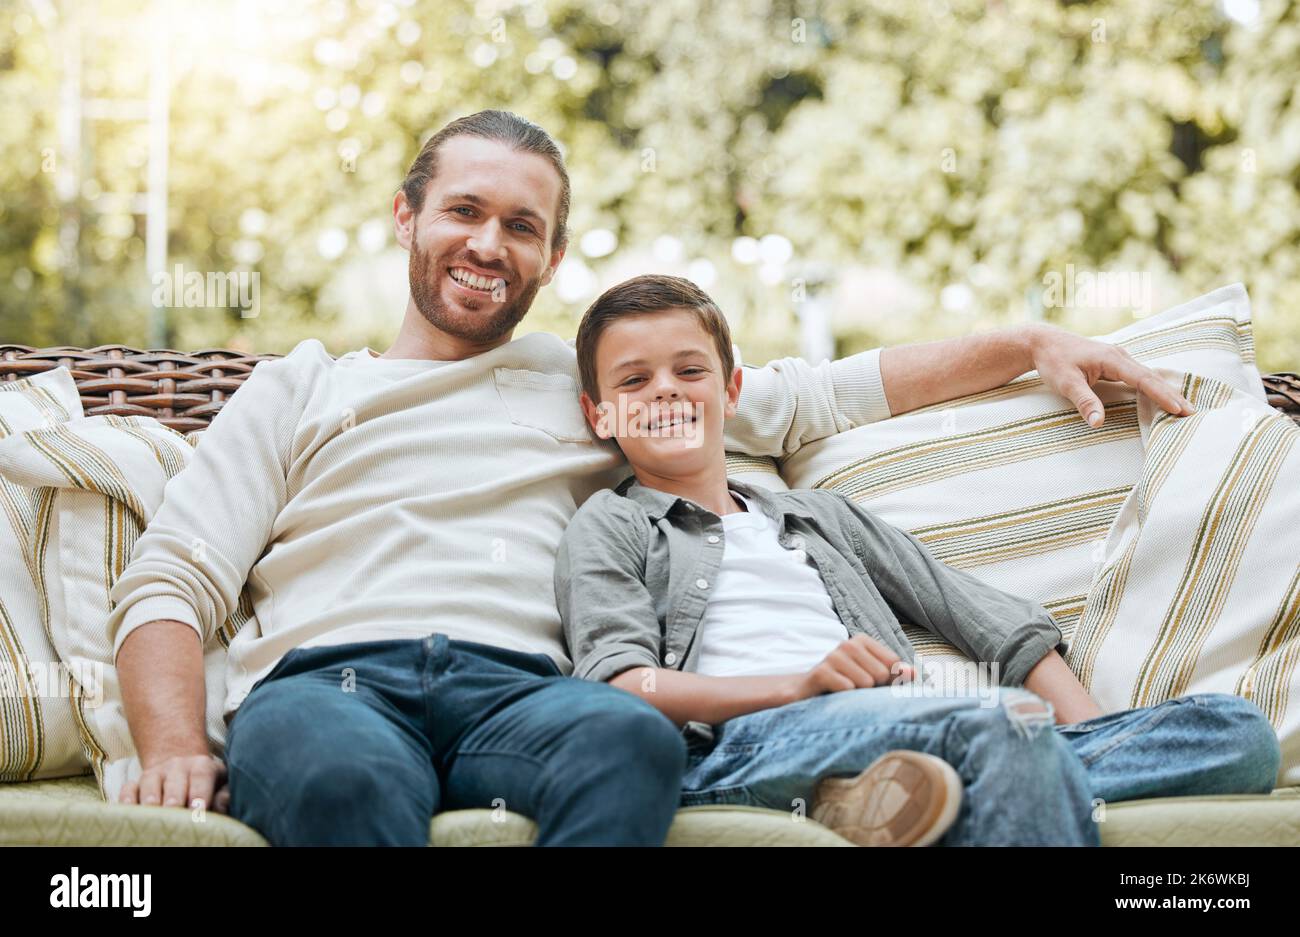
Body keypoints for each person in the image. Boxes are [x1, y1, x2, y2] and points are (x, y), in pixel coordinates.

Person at [110, 109, 1201, 846]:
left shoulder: (598, 383)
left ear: (550, 254)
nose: (488, 243)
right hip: (333, 680)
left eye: (522, 227)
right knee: (342, 775)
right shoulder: (302, 386)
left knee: (628, 736)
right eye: (464, 211)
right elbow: (170, 583)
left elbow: (821, 395)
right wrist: (170, 748)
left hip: (526, 693)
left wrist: (1025, 344)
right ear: (408, 217)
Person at [555, 273, 1283, 846]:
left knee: (1236, 734)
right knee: (1000, 725)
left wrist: (1081, 737)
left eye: (689, 369)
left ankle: (899, 796)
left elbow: (987, 620)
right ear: (599, 413)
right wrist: (796, 684)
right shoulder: (610, 524)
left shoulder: (821, 518)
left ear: (731, 389)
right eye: (633, 381)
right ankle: (970, 770)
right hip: (739, 750)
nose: (666, 392)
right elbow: (625, 683)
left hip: (899, 723)